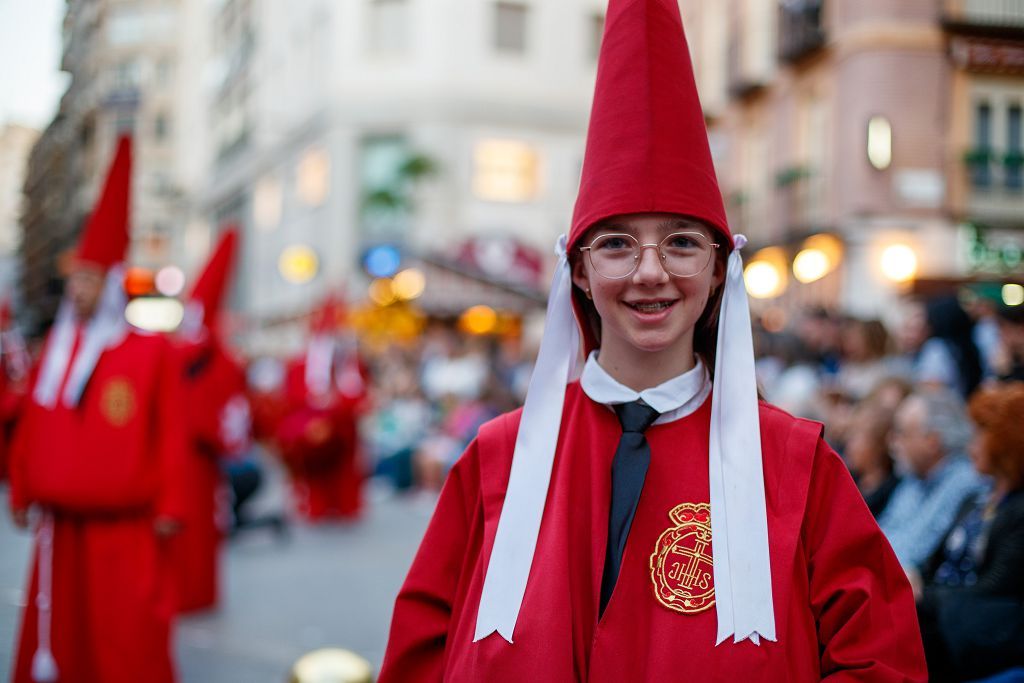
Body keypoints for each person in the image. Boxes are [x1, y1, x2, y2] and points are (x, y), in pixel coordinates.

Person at [378, 1, 927, 680]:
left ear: (720, 266)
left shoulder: (798, 468)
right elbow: (418, 659)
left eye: (682, 242)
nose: (650, 271)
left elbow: (882, 661)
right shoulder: (494, 462)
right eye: (616, 244)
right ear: (578, 268)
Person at [6, 135, 186, 683]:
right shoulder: (54, 355)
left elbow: (170, 430)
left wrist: (171, 505)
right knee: (64, 640)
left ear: (109, 283)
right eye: (74, 278)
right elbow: (31, 427)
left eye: (88, 277)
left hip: (124, 530)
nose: (77, 289)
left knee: (124, 640)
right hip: (59, 527)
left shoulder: (149, 351)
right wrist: (20, 486)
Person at [915, 382, 1024, 682]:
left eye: (981, 435)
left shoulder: (1019, 512)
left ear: (1008, 443)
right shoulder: (975, 500)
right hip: (940, 622)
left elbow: (994, 590)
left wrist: (925, 595)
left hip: (976, 638)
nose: (970, 446)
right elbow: (933, 563)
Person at [173, 226, 252, 612]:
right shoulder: (206, 354)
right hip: (191, 458)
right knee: (195, 527)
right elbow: (213, 415)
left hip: (192, 458)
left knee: (197, 528)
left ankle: (192, 591)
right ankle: (193, 592)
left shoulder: (194, 351)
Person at [276, 296, 367, 520]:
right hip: (311, 426)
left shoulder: (349, 362)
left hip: (342, 427)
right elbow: (293, 397)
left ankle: (344, 503)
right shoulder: (299, 364)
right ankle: (316, 503)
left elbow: (358, 395)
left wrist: (334, 413)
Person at [879, 388, 986, 572]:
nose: (892, 443)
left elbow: (916, 552)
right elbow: (881, 537)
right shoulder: (913, 479)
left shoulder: (964, 482)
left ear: (932, 441)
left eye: (902, 433)